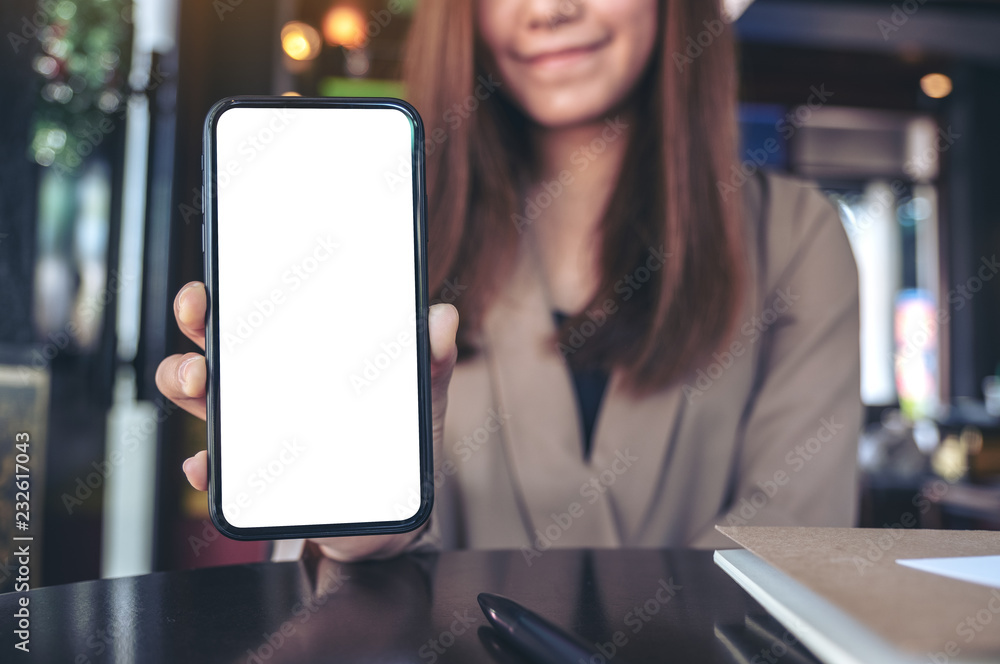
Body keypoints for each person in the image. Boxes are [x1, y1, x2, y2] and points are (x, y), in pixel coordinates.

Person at [156, 0, 861, 562]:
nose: (548, 9)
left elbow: (797, 550)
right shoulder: (379, 228)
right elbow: (334, 596)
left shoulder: (796, 236)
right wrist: (358, 539)